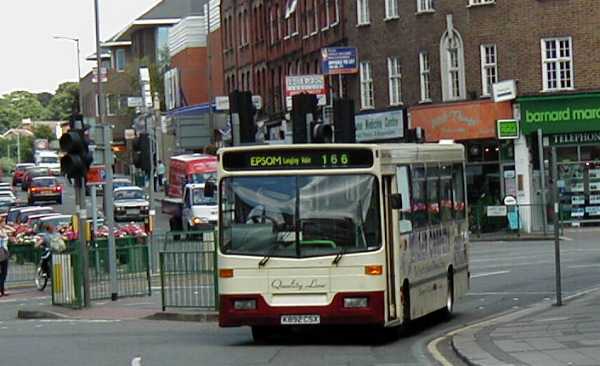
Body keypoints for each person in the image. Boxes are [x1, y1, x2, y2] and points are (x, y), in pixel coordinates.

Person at [0, 230, 9, 297]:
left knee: (3, 273)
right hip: (2, 253)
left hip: (3, 252)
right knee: (2, 273)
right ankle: (1, 290)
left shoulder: (3, 231)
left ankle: (2, 290)